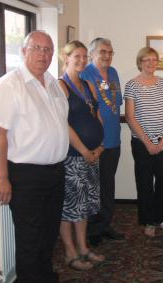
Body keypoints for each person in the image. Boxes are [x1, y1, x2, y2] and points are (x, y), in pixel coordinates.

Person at [0, 30, 68, 283]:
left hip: (55, 171)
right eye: (37, 48)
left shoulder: (52, 82)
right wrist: (2, 178)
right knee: (29, 238)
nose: (43, 55)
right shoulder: (9, 85)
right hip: (26, 175)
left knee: (48, 233)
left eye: (48, 50)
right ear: (24, 51)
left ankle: (45, 277)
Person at [58, 40, 105, 270]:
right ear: (66, 58)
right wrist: (85, 150)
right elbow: (62, 125)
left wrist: (100, 146)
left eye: (85, 56)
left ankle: (84, 248)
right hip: (72, 157)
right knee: (70, 207)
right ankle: (70, 252)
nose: (82, 60)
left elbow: (97, 116)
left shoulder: (88, 84)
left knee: (84, 205)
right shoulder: (60, 86)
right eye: (77, 56)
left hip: (92, 155)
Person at [124, 47, 163, 237]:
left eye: (154, 59)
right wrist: (148, 143)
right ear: (140, 62)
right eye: (147, 60)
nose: (151, 63)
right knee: (144, 182)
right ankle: (148, 221)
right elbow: (130, 117)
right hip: (141, 143)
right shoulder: (131, 85)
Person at [80, 37, 124, 245]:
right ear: (92, 54)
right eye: (103, 52)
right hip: (95, 142)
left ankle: (105, 224)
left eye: (110, 52)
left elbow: (116, 102)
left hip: (113, 138)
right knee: (92, 186)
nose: (107, 56)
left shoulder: (113, 73)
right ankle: (92, 229)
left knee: (108, 184)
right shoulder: (85, 73)